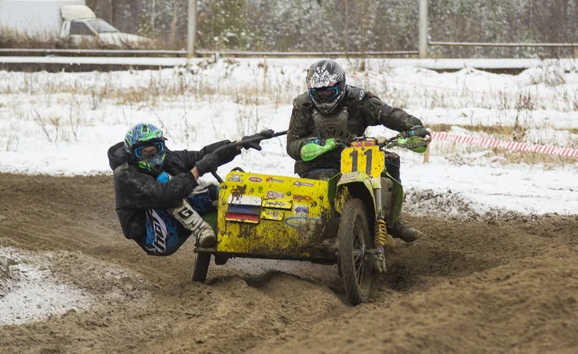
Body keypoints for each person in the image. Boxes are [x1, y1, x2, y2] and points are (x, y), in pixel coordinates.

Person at [286, 59, 431, 242]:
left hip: (357, 156)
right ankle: (322, 228)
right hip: (318, 163)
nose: (323, 98)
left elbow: (387, 113)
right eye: (318, 93)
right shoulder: (303, 106)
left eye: (329, 92)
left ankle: (394, 222)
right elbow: (291, 144)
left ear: (341, 86)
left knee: (390, 160)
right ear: (310, 91)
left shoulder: (359, 100)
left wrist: (412, 125)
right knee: (324, 185)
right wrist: (318, 144)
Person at [107, 123, 273, 256]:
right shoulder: (126, 175)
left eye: (155, 149)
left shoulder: (168, 157)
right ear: (133, 154)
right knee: (173, 184)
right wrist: (198, 170)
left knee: (218, 194)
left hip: (174, 222)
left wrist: (239, 145)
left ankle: (253, 229)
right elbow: (166, 194)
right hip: (155, 238)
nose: (152, 156)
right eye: (145, 153)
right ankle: (203, 230)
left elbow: (202, 156)